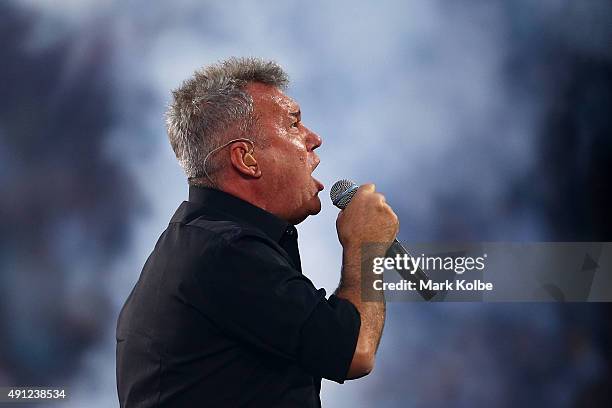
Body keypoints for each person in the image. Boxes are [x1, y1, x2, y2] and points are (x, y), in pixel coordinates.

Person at [116, 57, 399, 407]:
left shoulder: (200, 244)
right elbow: (356, 350)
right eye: (293, 124)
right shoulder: (224, 253)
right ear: (246, 158)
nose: (314, 138)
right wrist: (366, 244)